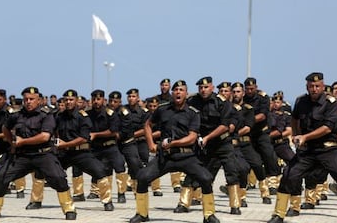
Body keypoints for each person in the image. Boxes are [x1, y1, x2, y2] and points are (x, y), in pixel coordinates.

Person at [267, 73, 337, 223]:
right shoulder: (301, 101)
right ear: (307, 87)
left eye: (317, 86)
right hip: (308, 151)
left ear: (323, 86)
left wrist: (305, 137)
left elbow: (327, 128)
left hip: (327, 149)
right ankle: (278, 214)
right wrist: (296, 136)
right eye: (311, 86)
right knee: (289, 175)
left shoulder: (331, 103)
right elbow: (295, 118)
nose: (314, 89)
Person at [129, 80, 220, 223]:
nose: (178, 92)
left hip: (186, 156)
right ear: (172, 93)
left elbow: (192, 137)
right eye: (175, 90)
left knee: (206, 178)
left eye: (181, 90)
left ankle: (209, 215)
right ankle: (142, 213)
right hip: (166, 157)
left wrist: (173, 143)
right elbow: (147, 125)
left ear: (186, 93)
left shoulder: (193, 112)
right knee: (142, 177)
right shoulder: (162, 109)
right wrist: (151, 143)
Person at [0, 86, 76, 220]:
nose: (28, 102)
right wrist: (12, 143)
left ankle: (69, 209)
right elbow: (5, 128)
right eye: (26, 99)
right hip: (22, 155)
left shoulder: (46, 115)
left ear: (39, 100)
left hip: (43, 154)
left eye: (32, 99)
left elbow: (44, 136)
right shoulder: (17, 115)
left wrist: (22, 141)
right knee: (0, 176)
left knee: (58, 178)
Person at [174, 76, 241, 215]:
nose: (203, 90)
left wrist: (208, 137)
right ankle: (184, 203)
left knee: (231, 172)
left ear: (212, 87)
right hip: (202, 144)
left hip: (222, 143)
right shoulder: (193, 101)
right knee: (192, 171)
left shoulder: (221, 102)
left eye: (206, 87)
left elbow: (224, 125)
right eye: (200, 88)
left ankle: (235, 206)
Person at [55, 89, 114, 211]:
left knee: (100, 172)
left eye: (71, 100)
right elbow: (55, 131)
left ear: (76, 101)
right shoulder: (59, 116)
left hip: (81, 153)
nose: (68, 102)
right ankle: (37, 200)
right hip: (64, 153)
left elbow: (83, 138)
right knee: (51, 173)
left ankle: (107, 201)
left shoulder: (83, 117)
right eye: (66, 100)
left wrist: (65, 144)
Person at [243, 77, 279, 194]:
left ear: (256, 87)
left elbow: (262, 115)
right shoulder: (242, 99)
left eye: (251, 88)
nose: (249, 91)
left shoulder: (263, 98)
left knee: (269, 156)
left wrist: (246, 120)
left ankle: (273, 183)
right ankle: (245, 183)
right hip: (248, 133)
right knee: (247, 159)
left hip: (261, 132)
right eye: (247, 89)